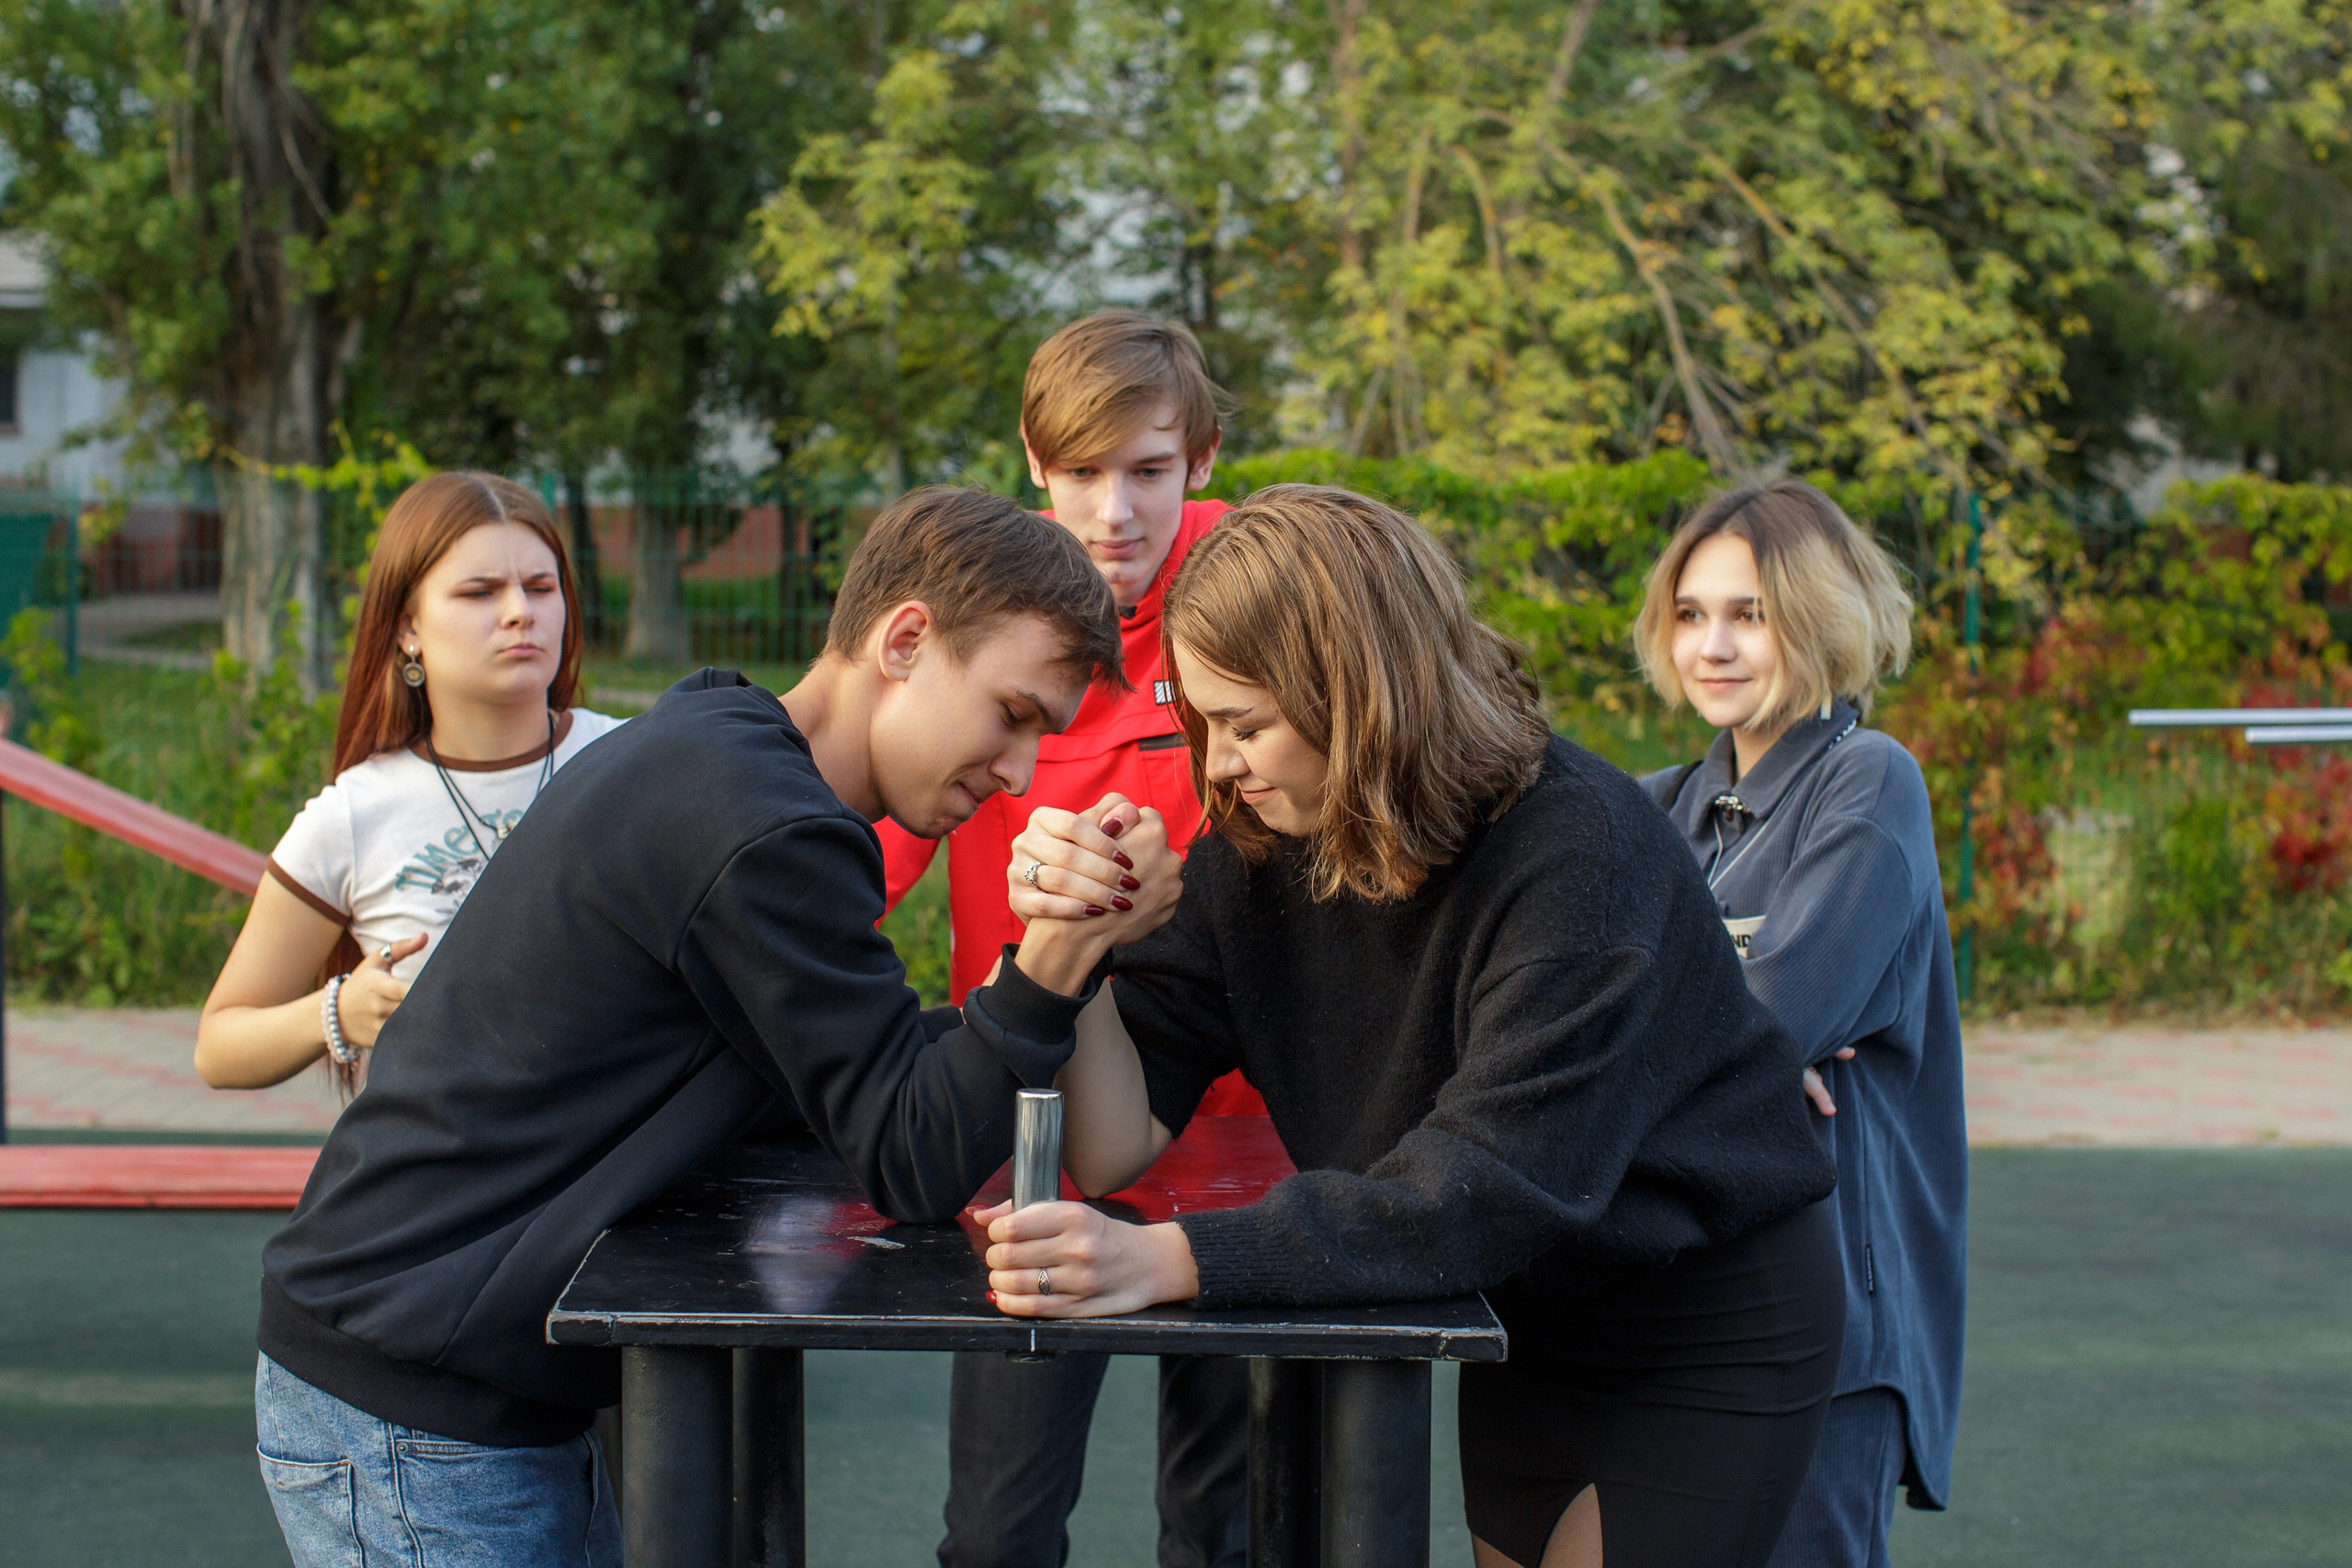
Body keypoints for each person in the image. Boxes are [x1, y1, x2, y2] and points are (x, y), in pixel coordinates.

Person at [251, 486, 1182, 1568]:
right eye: (1011, 714)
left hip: (447, 1382)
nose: (1018, 773)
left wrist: (1030, 998)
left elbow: (851, 1070)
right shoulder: (765, 829)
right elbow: (913, 1157)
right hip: (416, 1408)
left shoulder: (721, 739)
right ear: (906, 639)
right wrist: (1059, 955)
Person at [984, 485, 1847, 1568]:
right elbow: (1116, 1141)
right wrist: (1081, 943)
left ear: (1358, 696)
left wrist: (1170, 1258)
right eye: (1204, 724)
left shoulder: (1578, 852)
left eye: (1247, 726)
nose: (1219, 768)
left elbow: (1480, 1183)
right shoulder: (1257, 844)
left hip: (1704, 1313)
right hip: (1527, 1308)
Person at [876, 310, 1254, 1568]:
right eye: (1082, 471)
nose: (1115, 511)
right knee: (995, 1532)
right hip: (1034, 1130)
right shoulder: (984, 604)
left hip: (1244, 1130)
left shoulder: (1258, 592)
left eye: (1147, 468)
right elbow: (871, 837)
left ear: (1199, 458)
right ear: (1034, 463)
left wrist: (1179, 886)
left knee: (1230, 1524)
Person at [1631, 481, 1966, 1568]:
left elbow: (1779, 1018)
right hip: (1681, 1306)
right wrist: (1711, 1033)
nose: (1712, 646)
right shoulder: (1660, 809)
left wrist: (1710, 1031)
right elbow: (1543, 1007)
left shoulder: (1867, 782)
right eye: (1691, 615)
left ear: (1816, 618)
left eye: (1749, 614)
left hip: (1827, 1323)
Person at [195, 472, 625, 1093]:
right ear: (406, 628)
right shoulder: (355, 814)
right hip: (448, 1183)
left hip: (629, 1177)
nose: (520, 613)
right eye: (480, 592)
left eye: (540, 586)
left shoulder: (639, 758)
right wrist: (338, 1011)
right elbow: (219, 1046)